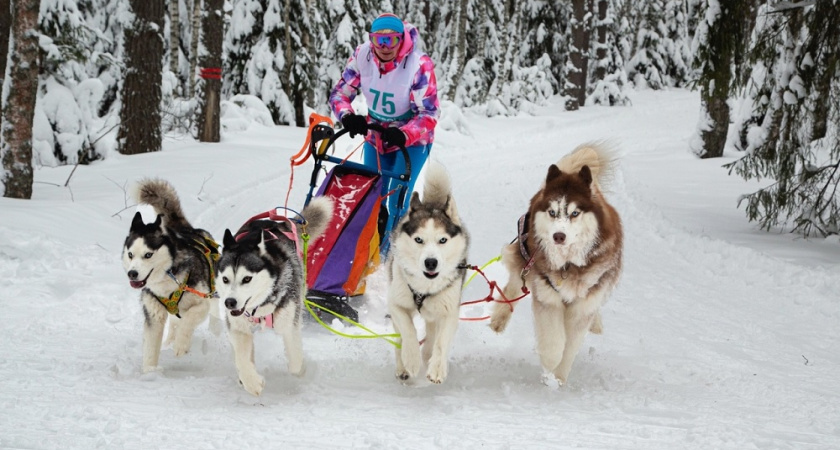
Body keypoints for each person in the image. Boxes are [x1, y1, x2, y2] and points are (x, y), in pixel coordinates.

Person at [328, 13, 439, 249]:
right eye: (379, 40)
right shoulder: (362, 56)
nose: (385, 47)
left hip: (412, 140)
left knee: (398, 198)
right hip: (376, 133)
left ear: (402, 40)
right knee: (371, 193)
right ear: (371, 39)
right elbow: (339, 94)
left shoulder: (419, 65)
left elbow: (429, 114)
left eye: (392, 40)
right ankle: (365, 252)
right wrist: (347, 117)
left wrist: (405, 133)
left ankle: (390, 255)